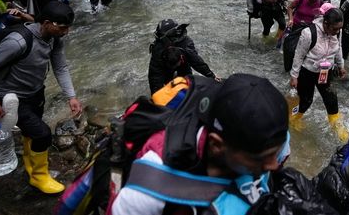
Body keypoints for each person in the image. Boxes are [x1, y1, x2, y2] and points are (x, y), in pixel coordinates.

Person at [111, 73, 290, 215]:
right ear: (216, 145)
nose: (275, 164)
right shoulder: (147, 190)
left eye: (277, 152)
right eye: (261, 159)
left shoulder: (268, 140)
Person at [0, 2, 82, 194]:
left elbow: (60, 67)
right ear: (47, 23)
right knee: (42, 134)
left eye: (68, 27)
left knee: (30, 132)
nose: (66, 31)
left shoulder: (54, 38)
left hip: (35, 92)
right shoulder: (18, 41)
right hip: (10, 97)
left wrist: (71, 96)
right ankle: (39, 177)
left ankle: (30, 164)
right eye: (63, 27)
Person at [289, 8, 347, 140]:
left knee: (332, 99)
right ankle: (294, 118)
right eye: (334, 29)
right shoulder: (309, 33)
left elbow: (339, 48)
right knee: (306, 101)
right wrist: (294, 76)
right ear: (325, 23)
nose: (337, 32)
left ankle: (337, 128)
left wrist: (341, 65)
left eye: (339, 29)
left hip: (326, 71)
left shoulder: (337, 33)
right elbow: (298, 55)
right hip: (307, 72)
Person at [147, 19, 221, 94]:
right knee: (166, 85)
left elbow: (197, 62)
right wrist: (156, 95)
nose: (160, 39)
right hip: (166, 66)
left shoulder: (186, 45)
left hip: (183, 64)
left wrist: (211, 76)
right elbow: (155, 75)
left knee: (187, 83)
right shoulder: (158, 48)